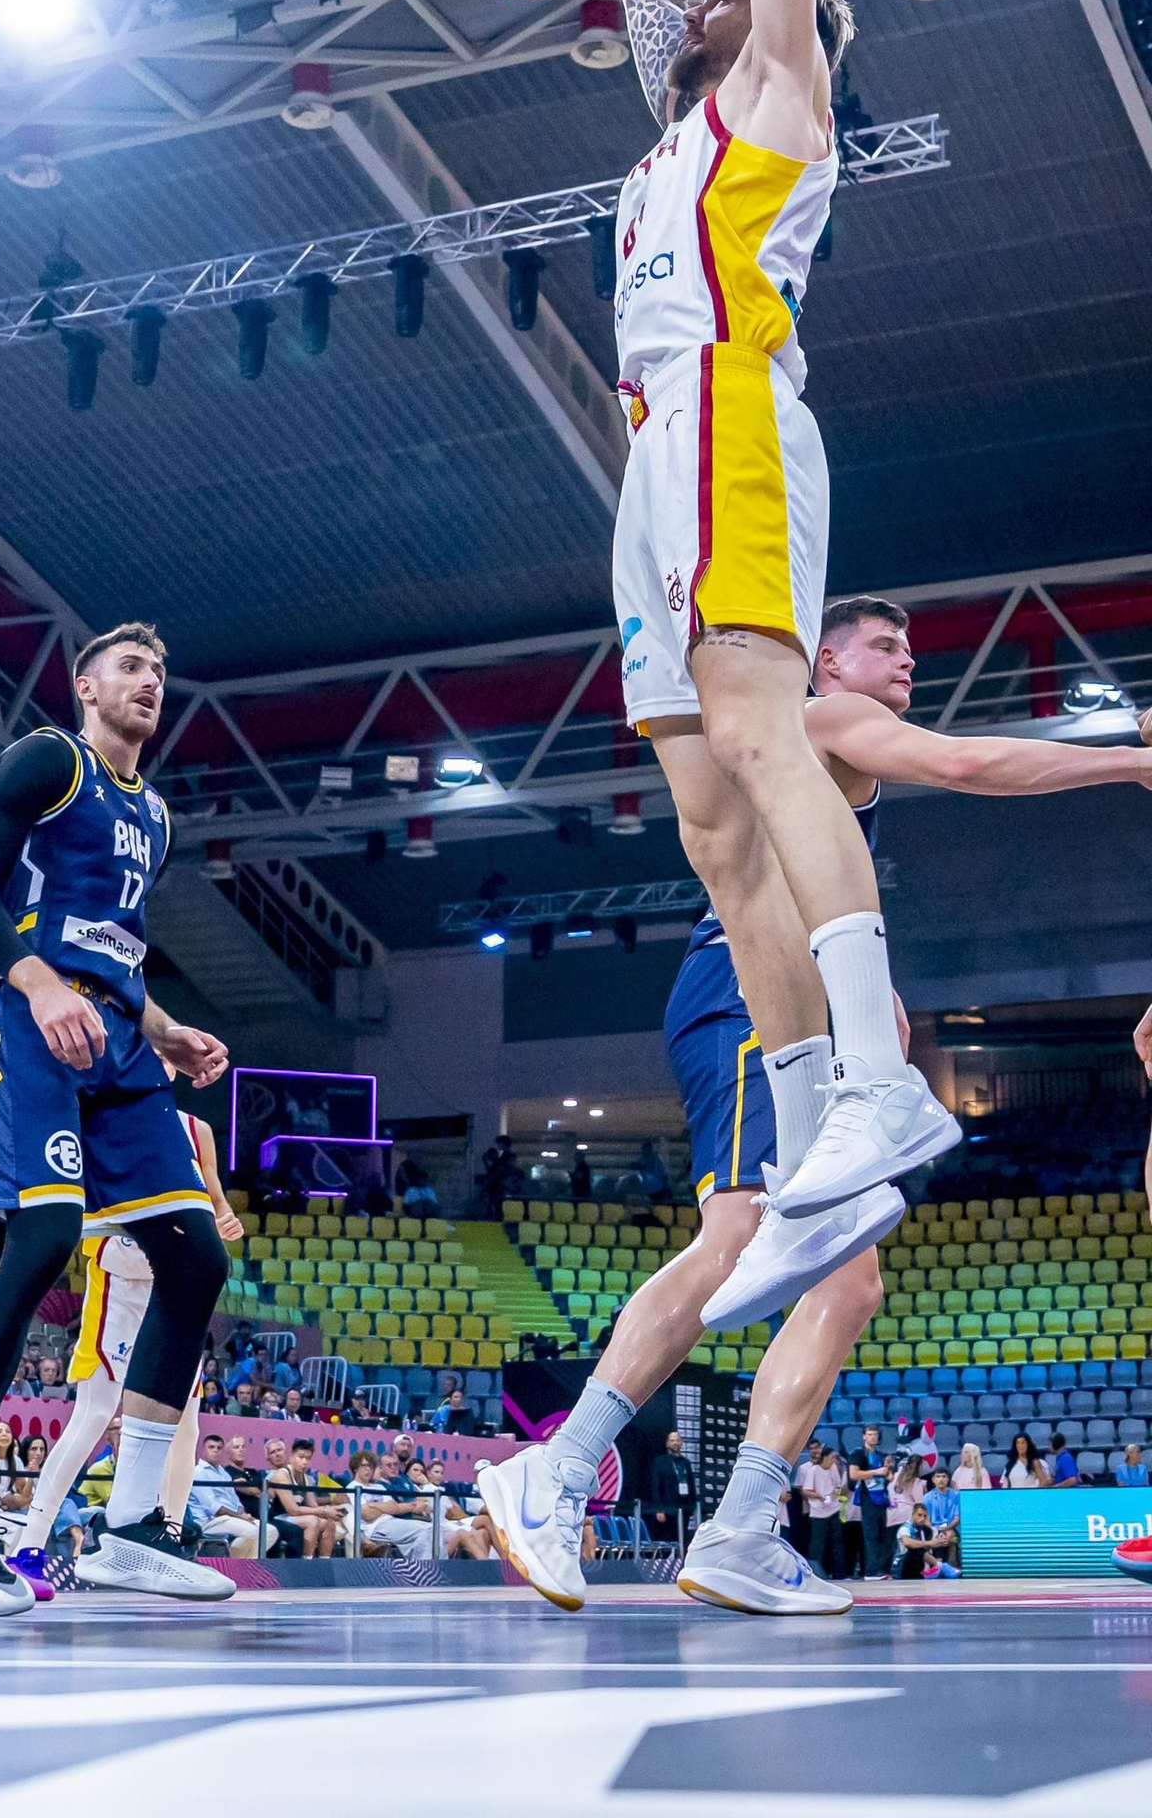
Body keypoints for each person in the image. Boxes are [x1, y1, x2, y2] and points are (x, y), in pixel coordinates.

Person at [480, 593, 1152, 1614]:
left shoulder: (825, 764)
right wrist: (1131, 758)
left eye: (911, 648)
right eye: (884, 645)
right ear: (825, 663)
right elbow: (971, 766)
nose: (906, 661)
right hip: (746, 1001)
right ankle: (557, 1470)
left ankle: (743, 1526)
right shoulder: (823, 718)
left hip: (784, 1009)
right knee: (737, 1236)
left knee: (846, 1285)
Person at [606, 0, 959, 1267]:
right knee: (705, 810)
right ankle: (815, 1115)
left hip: (733, 409)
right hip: (649, 451)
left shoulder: (786, 85)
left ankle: (885, 1075)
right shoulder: (672, 109)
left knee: (768, 739)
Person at [0, 622, 232, 1615]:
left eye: (162, 672)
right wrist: (38, 983)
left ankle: (132, 1527)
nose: (150, 682)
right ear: (85, 684)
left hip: (120, 1044)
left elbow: (113, 949)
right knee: (45, 1237)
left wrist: (166, 1030)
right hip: (29, 1020)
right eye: (130, 666)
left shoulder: (157, 818)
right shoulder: (51, 760)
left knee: (195, 1257)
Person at [13, 1095, 244, 1601]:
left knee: (188, 1422)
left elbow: (214, 1196)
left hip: (172, 1286)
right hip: (119, 1279)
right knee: (93, 1415)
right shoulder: (109, 1117)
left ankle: (170, 1540)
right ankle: (28, 1544)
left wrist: (224, 1218)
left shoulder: (194, 1127)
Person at [188, 1434, 273, 1557]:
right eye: (211, 1447)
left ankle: (248, 1564)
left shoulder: (223, 1473)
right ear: (203, 1451)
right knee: (251, 1532)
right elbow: (214, 1508)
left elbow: (235, 1501)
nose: (215, 1451)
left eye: (219, 1448)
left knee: (270, 1531)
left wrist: (243, 1514)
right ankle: (233, 1565)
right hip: (209, 1521)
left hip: (230, 1518)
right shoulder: (199, 1472)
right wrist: (240, 1517)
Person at [849, 1426, 893, 1578]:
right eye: (870, 1434)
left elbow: (888, 1476)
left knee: (882, 1535)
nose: (873, 1437)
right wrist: (876, 1472)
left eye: (875, 1434)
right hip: (868, 1497)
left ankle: (880, 1569)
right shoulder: (858, 1454)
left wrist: (888, 1469)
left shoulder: (881, 1455)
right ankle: (871, 1571)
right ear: (864, 1437)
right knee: (871, 1535)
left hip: (881, 1498)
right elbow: (853, 1474)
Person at [797, 1444, 843, 1578]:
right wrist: (820, 1496)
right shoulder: (813, 1470)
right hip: (818, 1511)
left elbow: (838, 1485)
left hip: (833, 1508)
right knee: (817, 1543)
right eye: (832, 1458)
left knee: (837, 1541)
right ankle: (816, 1572)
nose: (834, 1460)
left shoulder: (833, 1468)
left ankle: (839, 1572)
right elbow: (806, 1490)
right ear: (826, 1457)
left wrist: (834, 1493)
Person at [646, 1428, 698, 1544]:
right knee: (668, 1540)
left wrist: (693, 1507)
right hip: (667, 1509)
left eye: (677, 1440)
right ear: (667, 1443)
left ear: (681, 1443)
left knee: (682, 1540)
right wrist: (659, 1509)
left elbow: (691, 1485)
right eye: (672, 1440)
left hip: (684, 1509)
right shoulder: (660, 1462)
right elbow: (655, 1486)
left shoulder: (686, 1463)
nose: (675, 1443)